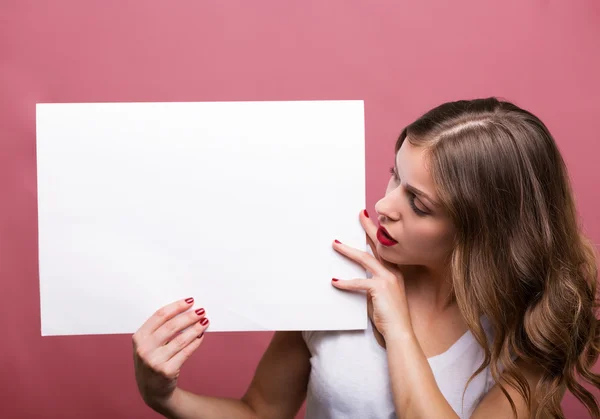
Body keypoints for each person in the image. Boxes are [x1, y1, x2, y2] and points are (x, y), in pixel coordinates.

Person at [132, 98, 600, 418]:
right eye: (394, 176)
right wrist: (166, 396)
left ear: (486, 230)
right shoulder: (337, 273)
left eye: (418, 203)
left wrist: (397, 324)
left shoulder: (539, 320)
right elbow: (260, 411)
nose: (384, 206)